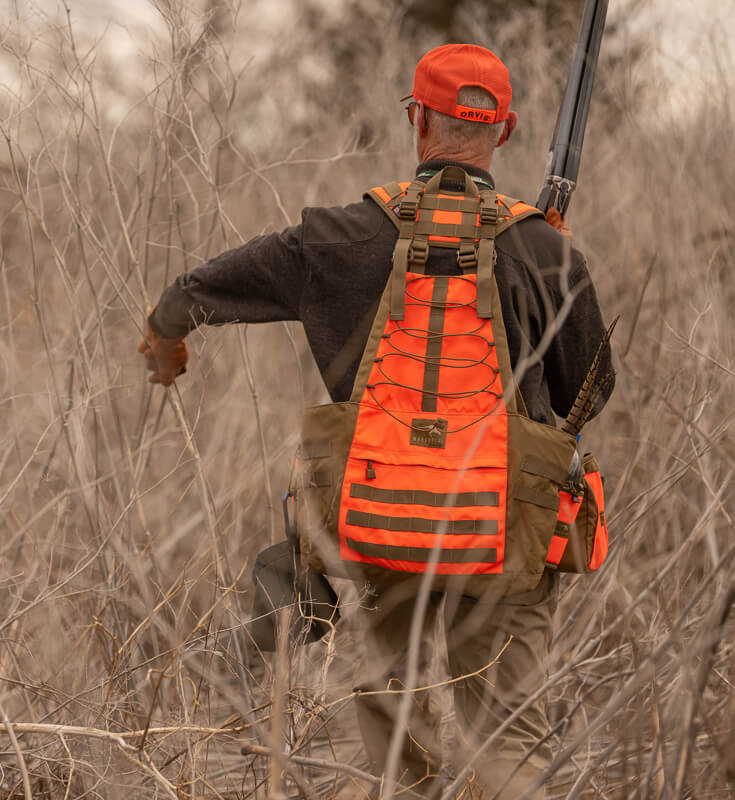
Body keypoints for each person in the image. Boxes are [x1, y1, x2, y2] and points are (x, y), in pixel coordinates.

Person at [139, 43, 614, 800]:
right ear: (508, 130)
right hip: (499, 544)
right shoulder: (544, 248)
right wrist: (548, 262)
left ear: (417, 119)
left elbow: (200, 288)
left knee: (393, 726)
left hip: (378, 530)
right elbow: (589, 391)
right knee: (511, 740)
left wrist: (166, 336)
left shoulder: (333, 237)